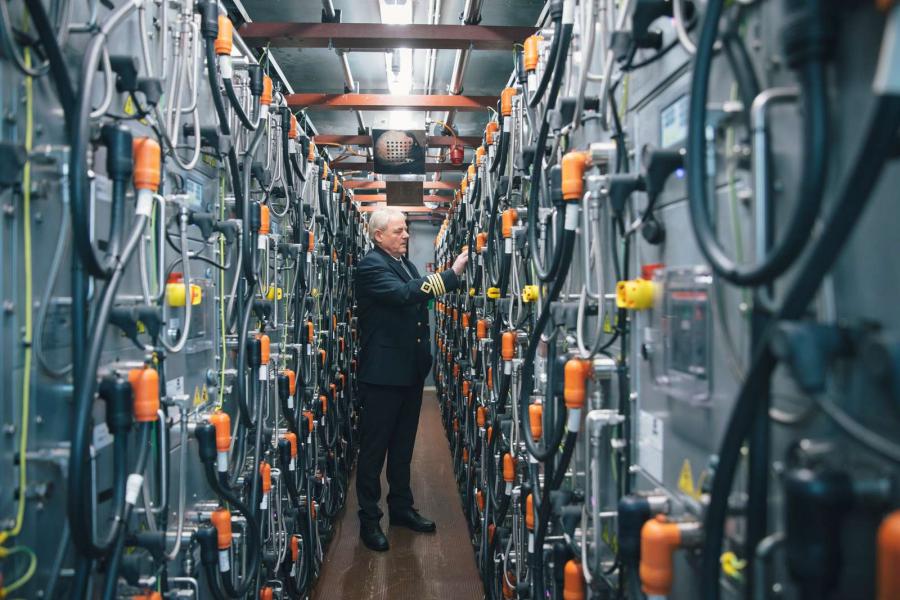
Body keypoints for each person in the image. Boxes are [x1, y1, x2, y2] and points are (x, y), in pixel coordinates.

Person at [354, 207, 468, 552]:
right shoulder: (371, 266)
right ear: (379, 236)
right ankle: (369, 521)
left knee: (402, 447)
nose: (406, 236)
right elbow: (407, 295)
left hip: (409, 370)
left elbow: (415, 294)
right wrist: (452, 274)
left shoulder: (402, 262)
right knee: (374, 451)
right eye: (399, 231)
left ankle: (401, 508)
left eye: (405, 230)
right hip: (383, 375)